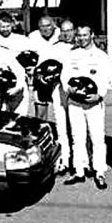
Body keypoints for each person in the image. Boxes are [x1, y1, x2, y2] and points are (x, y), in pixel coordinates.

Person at [61, 25, 111, 190]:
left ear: (92, 35)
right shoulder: (72, 55)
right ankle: (79, 170)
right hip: (75, 102)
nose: (82, 38)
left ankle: (99, 172)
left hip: (93, 103)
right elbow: (65, 74)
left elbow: (106, 77)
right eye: (79, 35)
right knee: (77, 137)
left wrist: (100, 95)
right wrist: (69, 88)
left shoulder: (101, 56)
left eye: (85, 35)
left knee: (97, 139)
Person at [37, 19, 76, 174]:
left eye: (69, 30)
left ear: (74, 31)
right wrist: (44, 78)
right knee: (62, 128)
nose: (67, 34)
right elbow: (40, 70)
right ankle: (65, 160)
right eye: (64, 31)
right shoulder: (53, 48)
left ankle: (82, 161)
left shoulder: (79, 49)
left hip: (75, 92)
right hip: (58, 90)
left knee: (78, 127)